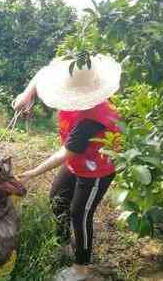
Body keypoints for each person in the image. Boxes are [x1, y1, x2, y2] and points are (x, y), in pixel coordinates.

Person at [13, 54, 122, 281]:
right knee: (57, 199)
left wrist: (33, 172)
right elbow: (43, 72)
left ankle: (81, 268)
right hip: (77, 162)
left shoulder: (94, 117)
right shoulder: (76, 73)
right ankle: (62, 244)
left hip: (96, 169)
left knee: (80, 214)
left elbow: (66, 152)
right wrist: (27, 94)